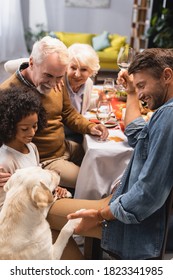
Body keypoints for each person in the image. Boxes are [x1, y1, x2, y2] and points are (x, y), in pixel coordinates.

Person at [47, 48, 173, 260]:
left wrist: (100, 216)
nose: (141, 94)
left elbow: (148, 194)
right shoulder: (165, 113)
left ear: (167, 76)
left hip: (134, 224)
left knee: (40, 216)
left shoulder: (168, 115)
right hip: (126, 206)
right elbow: (136, 135)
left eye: (142, 85)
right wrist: (132, 92)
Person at [0, 36, 108, 189]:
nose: (53, 84)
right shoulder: (6, 92)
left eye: (59, 77)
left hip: (64, 147)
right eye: (48, 76)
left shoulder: (58, 78)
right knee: (92, 183)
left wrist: (90, 126)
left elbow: (68, 112)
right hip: (45, 160)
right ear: (31, 63)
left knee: (104, 162)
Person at [4, 43, 103, 143]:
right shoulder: (56, 78)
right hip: (59, 142)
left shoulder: (82, 84)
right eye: (73, 68)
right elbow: (8, 66)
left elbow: (72, 111)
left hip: (71, 136)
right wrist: (38, 62)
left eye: (84, 69)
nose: (77, 74)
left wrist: (91, 123)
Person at [0, 86, 69, 210]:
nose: (32, 132)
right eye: (25, 129)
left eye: (35, 126)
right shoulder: (6, 162)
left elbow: (38, 180)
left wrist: (52, 188)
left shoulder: (32, 147)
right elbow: (3, 207)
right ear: (8, 126)